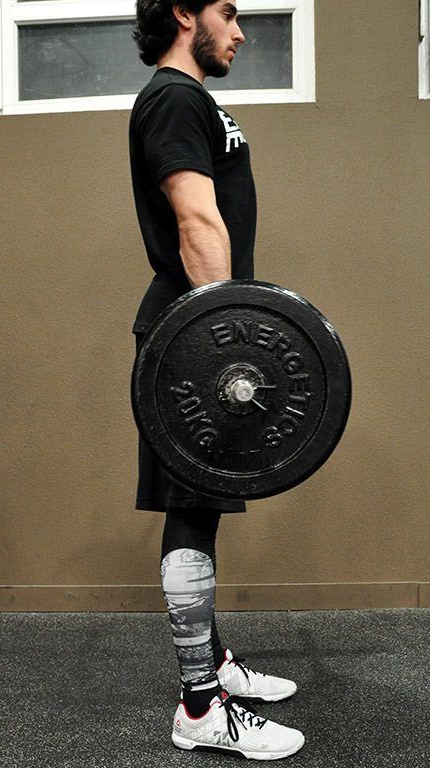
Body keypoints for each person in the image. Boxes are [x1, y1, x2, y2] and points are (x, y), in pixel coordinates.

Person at [129, 1, 305, 760]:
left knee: (201, 506)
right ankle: (199, 706)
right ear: (181, 12)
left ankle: (217, 666)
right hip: (192, 340)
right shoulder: (172, 98)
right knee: (189, 508)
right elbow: (197, 222)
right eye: (228, 13)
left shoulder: (192, 99)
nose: (240, 32)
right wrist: (224, 341)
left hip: (198, 331)